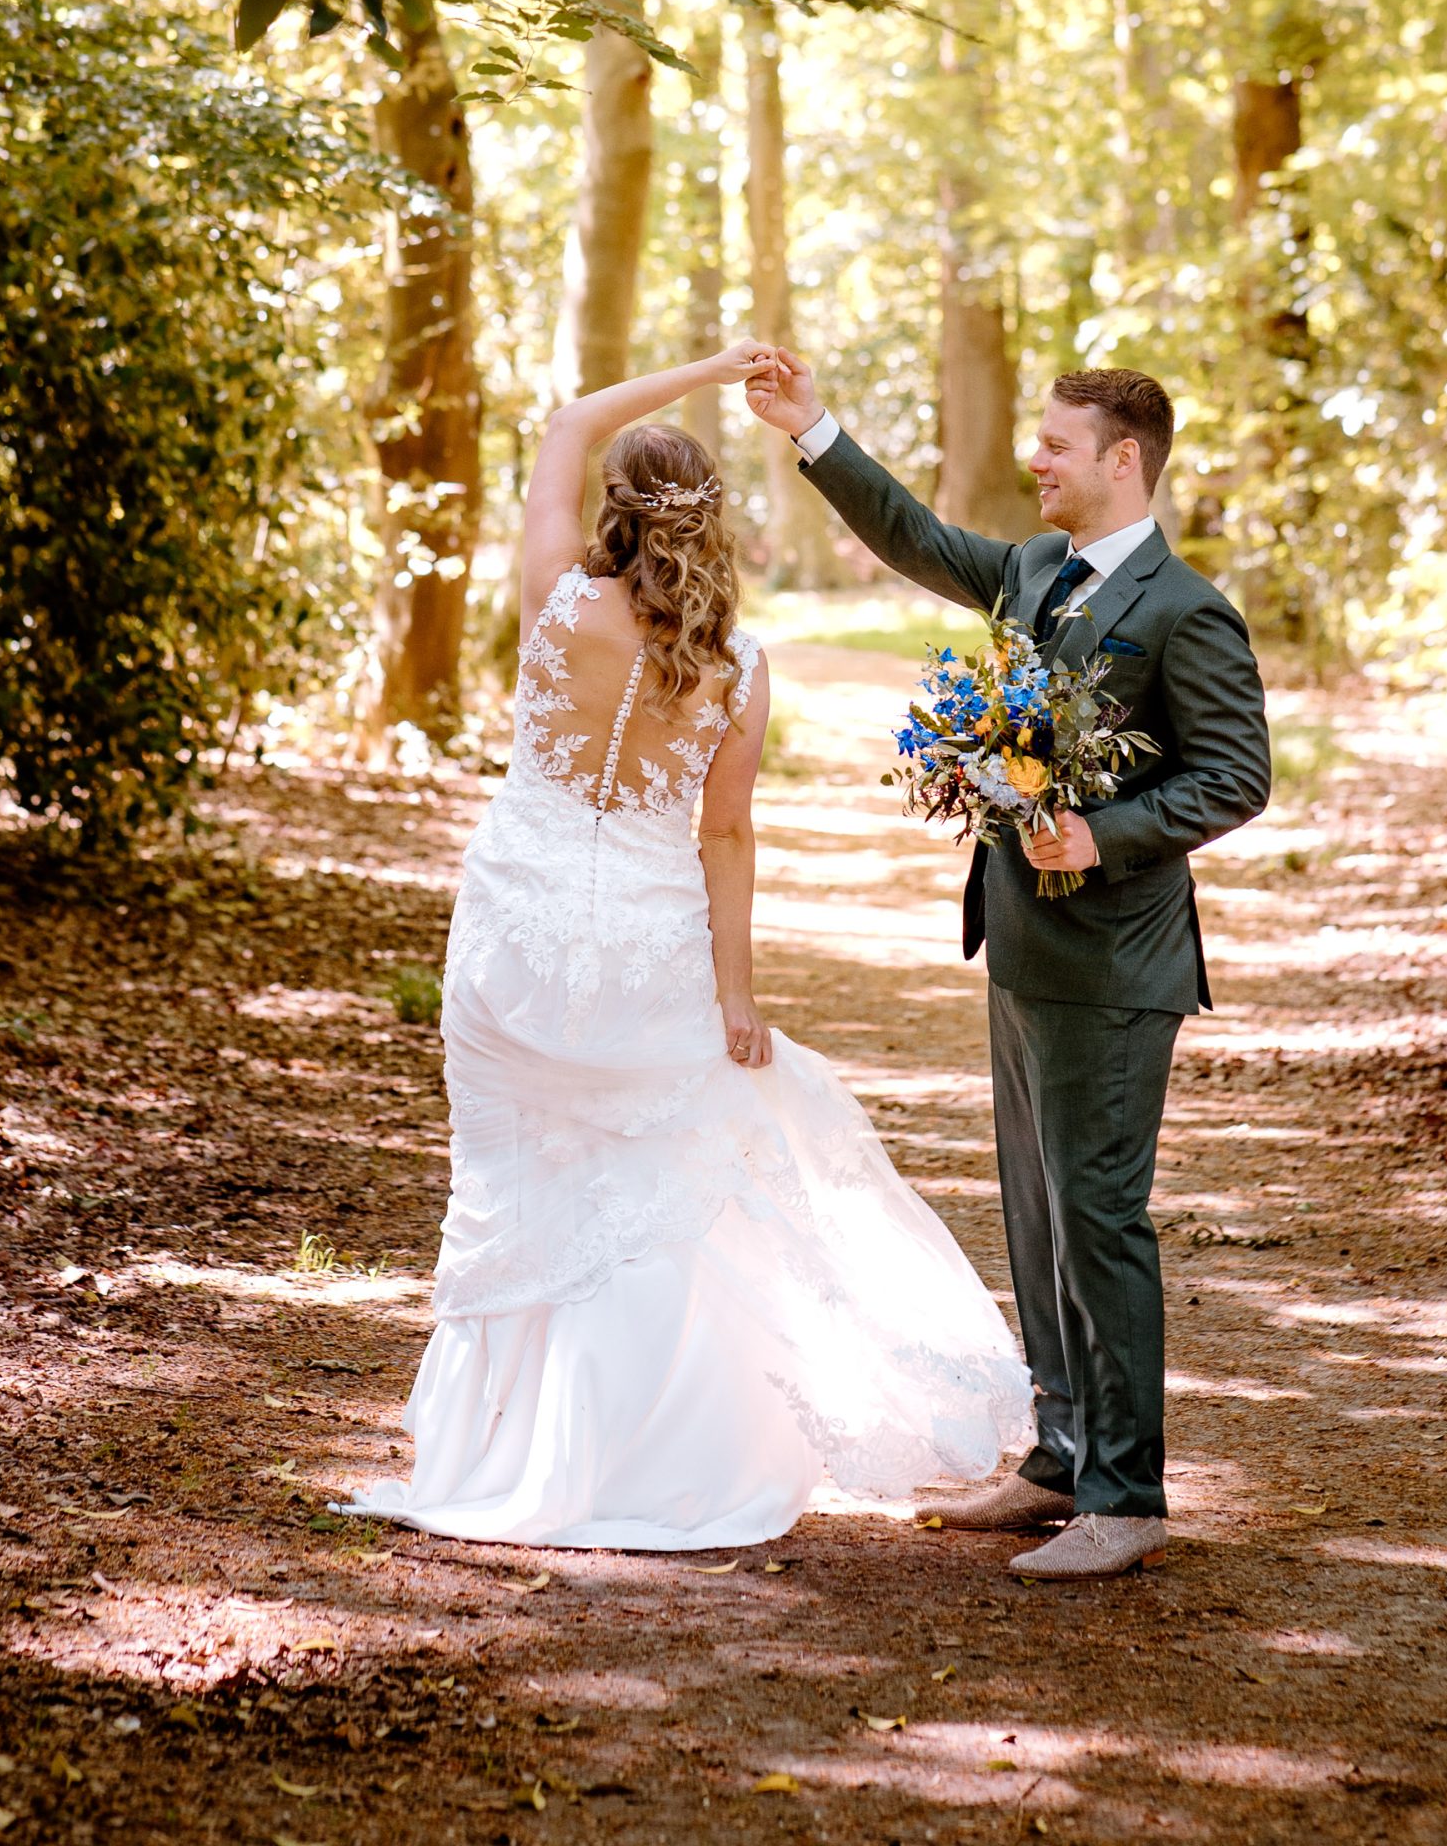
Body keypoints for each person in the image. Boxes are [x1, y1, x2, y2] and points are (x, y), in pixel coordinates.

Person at [345, 344, 1030, 1551]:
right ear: (712, 524)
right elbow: (724, 838)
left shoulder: (556, 599)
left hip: (513, 937)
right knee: (653, 1192)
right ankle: (653, 1462)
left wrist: (711, 364)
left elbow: (565, 420)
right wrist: (736, 999)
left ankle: (490, 1456)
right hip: (647, 953)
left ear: (614, 509)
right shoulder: (738, 667)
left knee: (509, 1186)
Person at [746, 355, 1271, 1580]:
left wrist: (1106, 830)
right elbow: (917, 538)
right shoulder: (1035, 570)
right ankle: (1057, 1460)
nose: (1035, 461)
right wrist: (814, 430)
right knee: (1037, 1220)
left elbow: (1237, 774)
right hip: (1024, 950)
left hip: (1120, 962)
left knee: (1098, 1218)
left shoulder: (1188, 610)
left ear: (1123, 460)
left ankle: (1127, 1496)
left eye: (1056, 447)